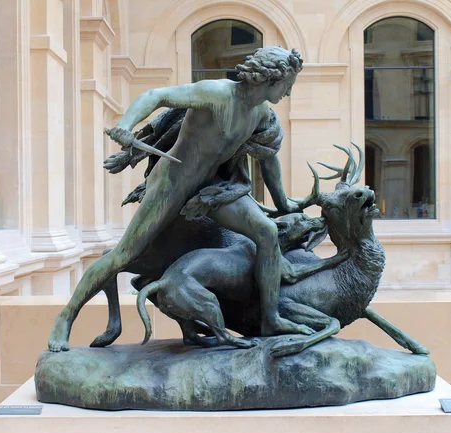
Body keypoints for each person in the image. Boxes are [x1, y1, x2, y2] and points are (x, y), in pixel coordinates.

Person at [48, 47, 312, 352]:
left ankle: (270, 319)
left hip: (209, 187)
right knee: (123, 255)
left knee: (266, 232)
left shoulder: (261, 114)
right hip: (172, 182)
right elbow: (156, 95)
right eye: (287, 85)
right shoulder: (217, 93)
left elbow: (268, 159)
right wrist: (126, 124)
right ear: (270, 78)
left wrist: (283, 203)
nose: (289, 92)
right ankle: (65, 317)